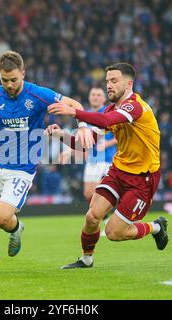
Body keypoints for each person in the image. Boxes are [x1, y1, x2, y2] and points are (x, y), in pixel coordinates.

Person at [0, 51, 94, 273]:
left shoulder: (37, 94)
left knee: (1, 217)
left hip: (22, 169)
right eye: (4, 80)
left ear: (23, 74)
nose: (9, 84)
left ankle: (16, 229)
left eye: (14, 79)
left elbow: (75, 104)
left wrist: (82, 126)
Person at [46, 63, 169, 269]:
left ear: (129, 84)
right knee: (92, 216)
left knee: (114, 233)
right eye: (107, 82)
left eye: (114, 81)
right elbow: (84, 144)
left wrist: (74, 112)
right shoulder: (114, 109)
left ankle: (156, 227)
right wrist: (61, 135)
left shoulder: (135, 106)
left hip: (142, 179)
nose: (109, 86)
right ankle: (86, 260)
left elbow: (105, 120)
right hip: (118, 171)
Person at [59, 87, 117, 235]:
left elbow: (122, 134)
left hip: (108, 159)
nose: (96, 97)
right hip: (93, 159)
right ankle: (106, 220)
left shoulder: (109, 112)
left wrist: (108, 144)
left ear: (104, 99)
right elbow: (83, 141)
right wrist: (69, 152)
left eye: (99, 95)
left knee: (102, 192)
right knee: (88, 193)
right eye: (93, 94)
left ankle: (112, 221)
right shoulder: (85, 116)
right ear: (89, 97)